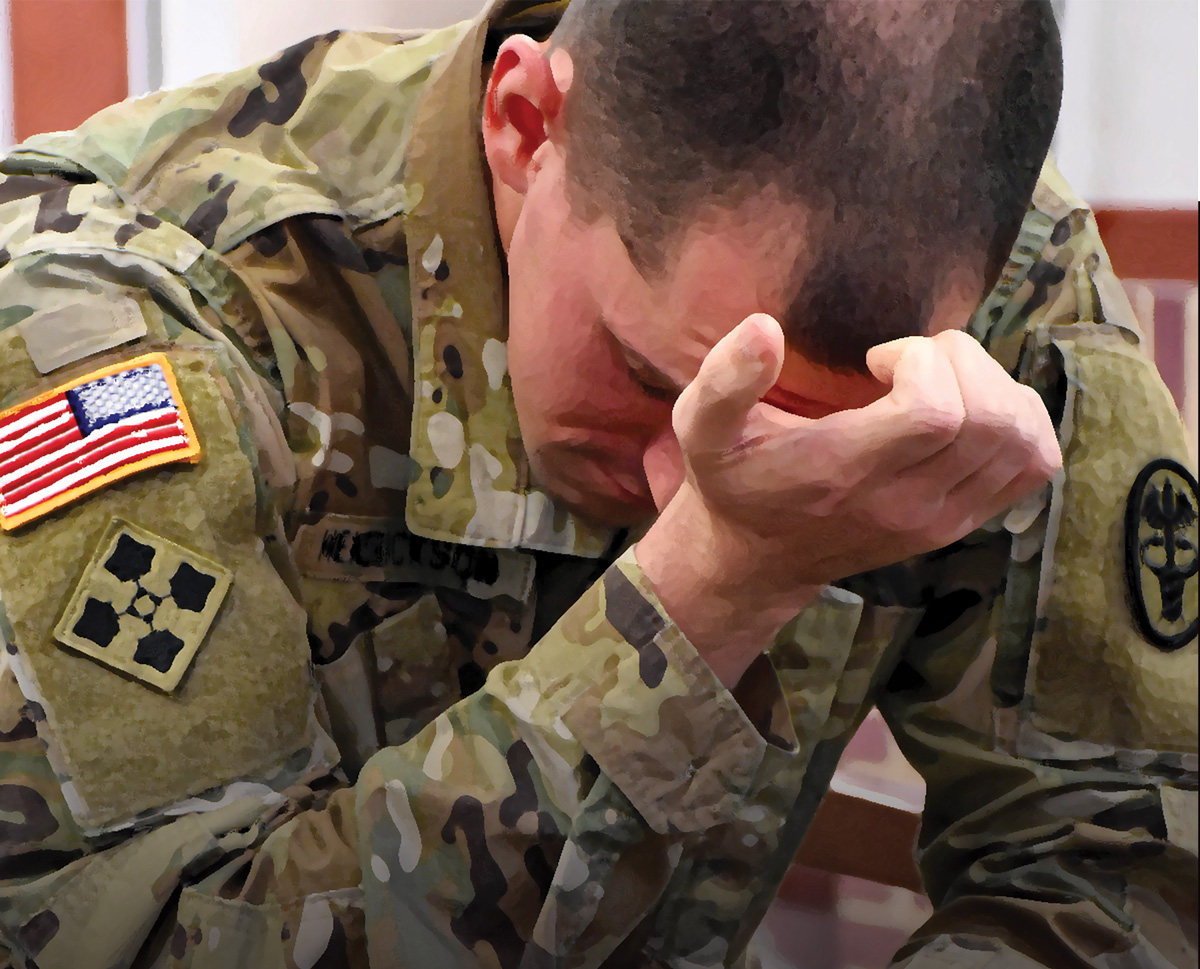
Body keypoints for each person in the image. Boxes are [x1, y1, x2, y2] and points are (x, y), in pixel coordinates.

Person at [0, 0, 1193, 966]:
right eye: (652, 378)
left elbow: (1120, 867)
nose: (699, 480)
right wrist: (715, 588)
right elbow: (163, 941)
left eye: (818, 434)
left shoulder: (1004, 287)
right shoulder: (119, 318)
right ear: (527, 127)